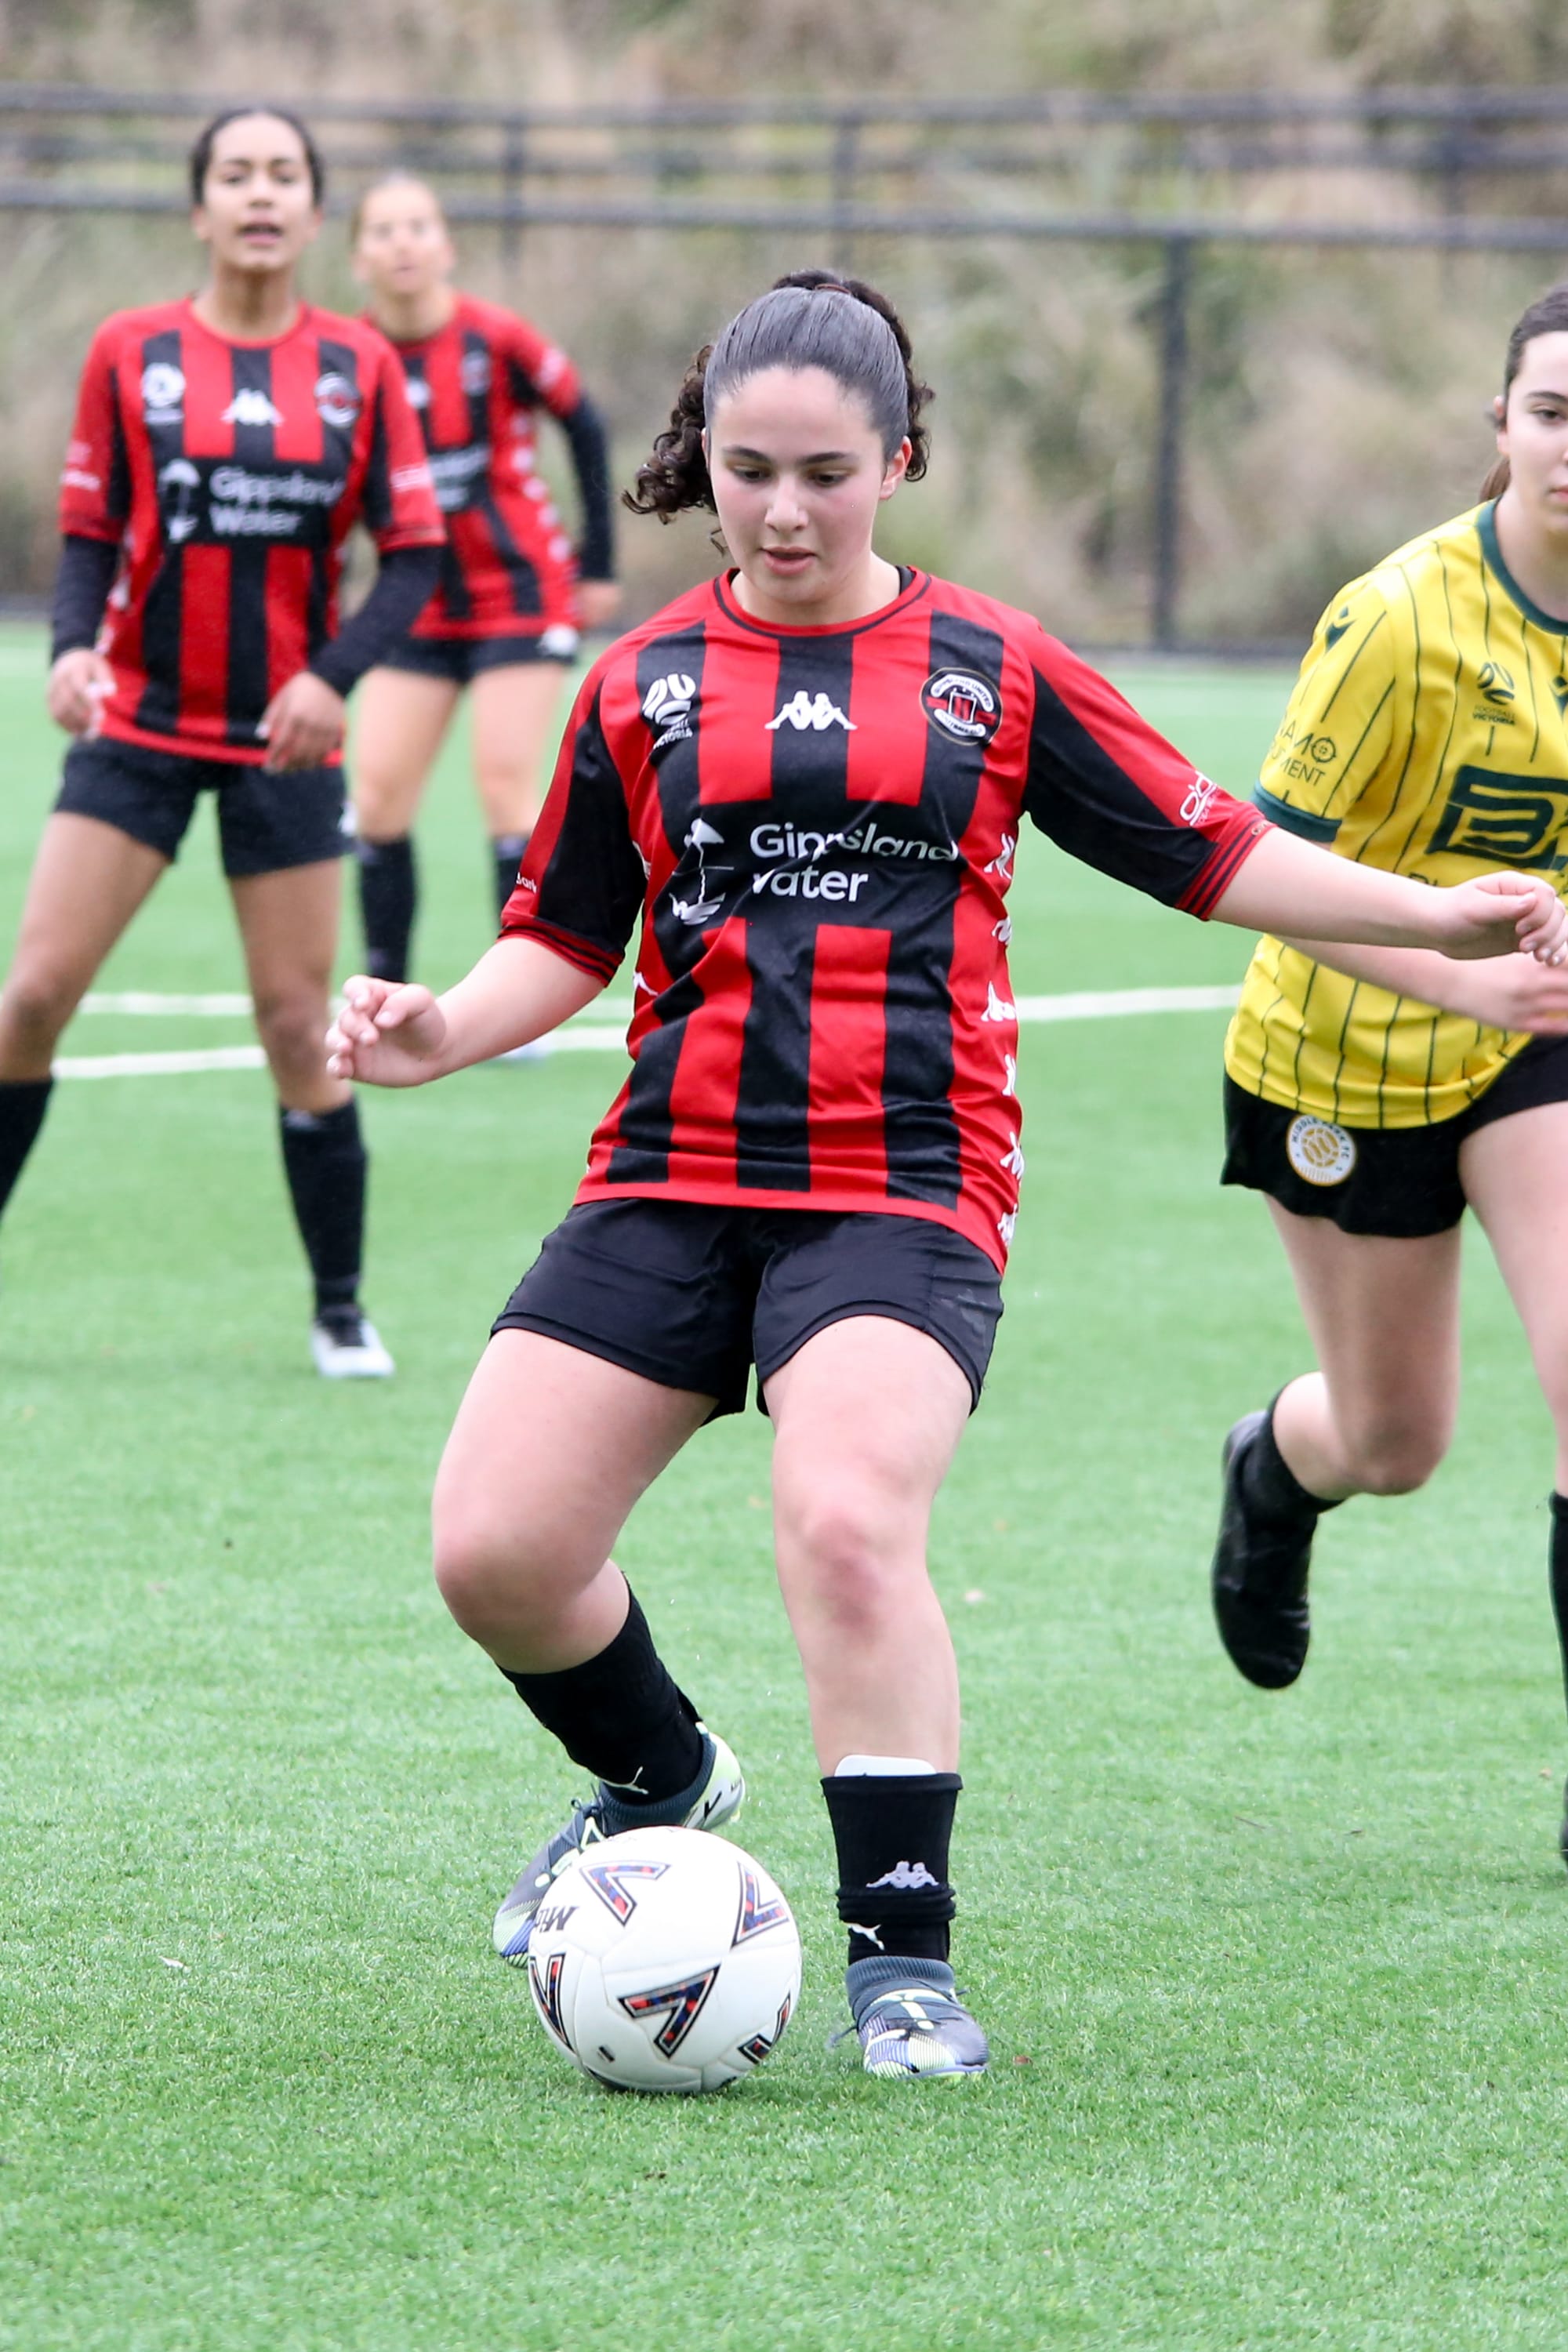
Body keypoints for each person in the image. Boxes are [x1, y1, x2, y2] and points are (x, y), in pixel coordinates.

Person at [325, 271, 1565, 2080]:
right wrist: (441, 1024)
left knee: (841, 1515)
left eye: (824, 471)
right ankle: (659, 1771)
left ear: (895, 457)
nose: (780, 510)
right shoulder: (644, 678)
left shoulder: (990, 666)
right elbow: (564, 938)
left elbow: (1210, 851)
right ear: (706, 460)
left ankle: (900, 1958)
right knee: (495, 1547)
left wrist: (1432, 923)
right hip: (668, 1174)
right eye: (746, 470)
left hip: (901, 1187)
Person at [1210, 281, 1568, 1862]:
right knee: (1393, 1442)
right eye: (1552, 414)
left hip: (1536, 1053)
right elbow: (1269, 878)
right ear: (1499, 426)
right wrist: (1457, 972)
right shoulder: (1399, 618)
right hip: (1340, 1051)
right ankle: (1278, 1474)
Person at [0, 107, 444, 1377]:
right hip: (136, 729)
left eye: (285, 176)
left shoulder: (360, 364)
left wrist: (331, 677)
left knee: (297, 1023)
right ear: (198, 209)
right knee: (30, 998)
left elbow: (413, 558)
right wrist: (72, 651)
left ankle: (341, 1307)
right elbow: (90, 532)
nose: (260, 194)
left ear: (314, 216)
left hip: (281, 747)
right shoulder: (128, 351)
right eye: (235, 175)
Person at [348, 172, 620, 984]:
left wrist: (598, 562)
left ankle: (518, 986)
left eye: (419, 226)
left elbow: (585, 420)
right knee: (378, 799)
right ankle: (382, 984)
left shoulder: (496, 339)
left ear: (446, 246)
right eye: (384, 231)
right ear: (358, 257)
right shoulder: (350, 356)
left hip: (519, 594)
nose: (403, 243)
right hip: (414, 603)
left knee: (504, 783)